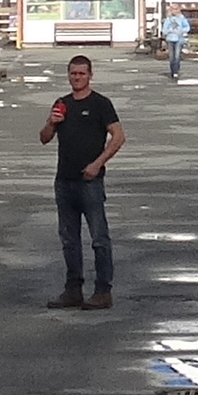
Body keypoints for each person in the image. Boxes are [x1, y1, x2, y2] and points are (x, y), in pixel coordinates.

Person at [41, 51, 122, 306]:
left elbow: (118, 136)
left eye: (81, 74)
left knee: (99, 238)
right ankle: (73, 288)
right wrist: (52, 123)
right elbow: (44, 138)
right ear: (68, 76)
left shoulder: (100, 104)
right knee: (69, 239)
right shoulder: (62, 103)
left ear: (90, 76)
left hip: (89, 181)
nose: (77, 78)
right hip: (64, 180)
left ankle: (102, 290)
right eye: (73, 74)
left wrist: (98, 163)